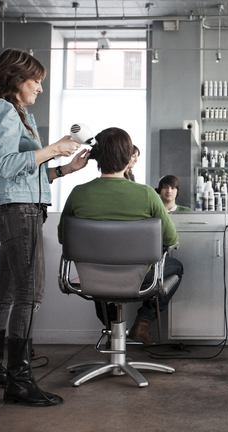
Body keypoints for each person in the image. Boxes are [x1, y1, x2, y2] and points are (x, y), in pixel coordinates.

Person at [0, 48, 90, 407]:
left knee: (5, 292)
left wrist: (64, 169)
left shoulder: (17, 113)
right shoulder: (2, 110)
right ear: (15, 79)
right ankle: (19, 380)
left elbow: (26, 172)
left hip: (20, 206)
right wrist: (53, 148)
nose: (39, 88)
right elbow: (7, 165)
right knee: (30, 293)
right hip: (17, 211)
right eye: (35, 80)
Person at [58, 127, 184, 345]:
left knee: (98, 268)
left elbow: (63, 238)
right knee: (176, 267)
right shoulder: (146, 194)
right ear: (128, 158)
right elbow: (171, 240)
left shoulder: (78, 193)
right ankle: (143, 323)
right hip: (136, 278)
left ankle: (110, 330)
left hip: (93, 278)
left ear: (96, 157)